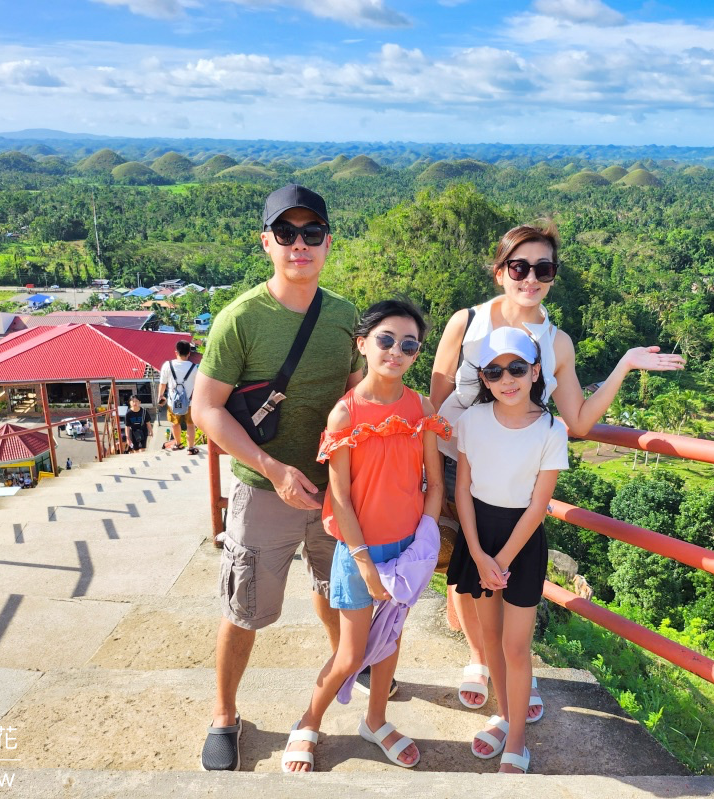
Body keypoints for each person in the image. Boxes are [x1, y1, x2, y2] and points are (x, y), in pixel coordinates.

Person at [429, 222, 686, 718]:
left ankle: (514, 670)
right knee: (464, 564)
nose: (530, 279)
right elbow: (438, 398)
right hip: (458, 463)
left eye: (542, 269)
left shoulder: (556, 342)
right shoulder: (467, 322)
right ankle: (480, 661)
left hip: (519, 478)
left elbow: (581, 422)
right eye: (519, 267)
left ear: (552, 275)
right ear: (501, 269)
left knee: (510, 569)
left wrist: (624, 365)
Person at [191, 184, 363, 772]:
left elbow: (356, 389)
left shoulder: (343, 315)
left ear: (327, 243)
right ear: (267, 242)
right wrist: (271, 467)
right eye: (286, 234)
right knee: (245, 609)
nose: (299, 245)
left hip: (334, 489)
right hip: (264, 490)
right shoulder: (241, 318)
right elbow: (205, 408)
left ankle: (345, 663)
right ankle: (224, 715)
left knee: (332, 588)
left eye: (311, 234)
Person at [281, 300, 448, 773]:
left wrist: (425, 541)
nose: (397, 351)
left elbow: (434, 484)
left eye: (409, 345)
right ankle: (308, 722)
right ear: (363, 344)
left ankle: (376, 721)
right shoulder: (345, 415)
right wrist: (366, 564)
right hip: (359, 553)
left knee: (391, 642)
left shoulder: (422, 407)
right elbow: (341, 501)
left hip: (407, 550)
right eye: (386, 340)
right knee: (352, 652)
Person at [446, 326, 568, 774]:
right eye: (494, 372)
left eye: (517, 368)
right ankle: (502, 714)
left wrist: (501, 560)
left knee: (517, 647)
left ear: (535, 371)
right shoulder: (472, 421)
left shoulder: (551, 429)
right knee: (491, 638)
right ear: (484, 379)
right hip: (479, 534)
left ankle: (517, 736)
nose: (507, 379)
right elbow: (463, 490)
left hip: (521, 540)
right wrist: (479, 555)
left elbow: (539, 504)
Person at [158, 340, 200, 455]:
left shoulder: (168, 365)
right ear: (189, 353)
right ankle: (191, 448)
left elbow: (163, 383)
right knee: (190, 424)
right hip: (190, 402)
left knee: (175, 423)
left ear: (176, 352)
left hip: (173, 401)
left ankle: (178, 444)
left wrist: (160, 397)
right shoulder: (194, 368)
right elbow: (198, 386)